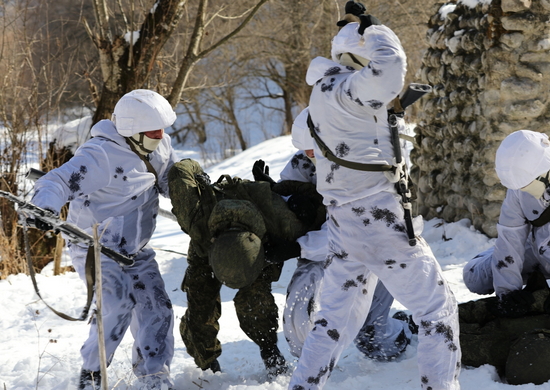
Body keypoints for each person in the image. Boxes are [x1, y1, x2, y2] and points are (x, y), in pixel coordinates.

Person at [286, 14, 461, 390]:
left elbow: (361, 130)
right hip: (380, 220)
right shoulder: (347, 89)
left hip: (344, 225)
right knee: (437, 310)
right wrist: (375, 30)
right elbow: (392, 67)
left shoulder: (324, 92)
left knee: (332, 322)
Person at [30, 89, 178, 390]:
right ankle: (93, 376)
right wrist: (43, 205)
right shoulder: (100, 155)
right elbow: (56, 181)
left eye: (163, 131)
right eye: (152, 132)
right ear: (132, 131)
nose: (160, 136)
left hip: (135, 248)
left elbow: (170, 182)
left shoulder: (159, 147)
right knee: (118, 301)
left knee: (157, 307)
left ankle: (154, 377)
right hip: (97, 248)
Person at [260, 106, 417, 361]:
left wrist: (298, 248)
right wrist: (282, 196)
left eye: (313, 148)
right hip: (322, 249)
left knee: (372, 341)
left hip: (377, 250)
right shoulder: (306, 159)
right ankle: (312, 363)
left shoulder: (364, 167)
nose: (309, 154)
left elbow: (350, 231)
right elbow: (290, 185)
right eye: (306, 149)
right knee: (302, 315)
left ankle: (405, 329)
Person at [167, 158, 325, 378]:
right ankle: (208, 365)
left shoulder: (283, 222)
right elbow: (181, 169)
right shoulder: (195, 217)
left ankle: (269, 351)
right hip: (207, 244)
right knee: (199, 311)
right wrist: (200, 176)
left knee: (254, 300)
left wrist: (295, 195)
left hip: (262, 243)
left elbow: (329, 212)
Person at [463, 130, 550, 317]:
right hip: (536, 250)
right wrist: (508, 293)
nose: (524, 190)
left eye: (528, 184)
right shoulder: (518, 190)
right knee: (474, 277)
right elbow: (511, 237)